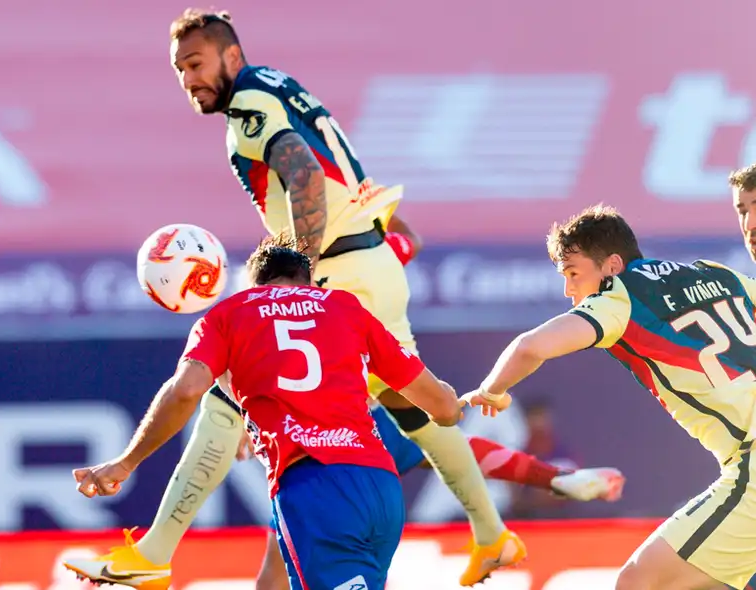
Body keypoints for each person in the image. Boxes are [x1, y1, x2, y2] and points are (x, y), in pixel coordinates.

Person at [67, 8, 524, 587]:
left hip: (338, 270)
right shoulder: (288, 89)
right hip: (372, 259)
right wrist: (384, 237)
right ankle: (491, 535)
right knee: (413, 405)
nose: (189, 79)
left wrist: (299, 277)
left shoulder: (248, 107)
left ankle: (154, 553)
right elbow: (344, 173)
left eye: (196, 63)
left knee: (223, 392)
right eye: (179, 70)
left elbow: (305, 174)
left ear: (232, 56)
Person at [66, 234, 463, 590]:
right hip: (380, 486)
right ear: (307, 281)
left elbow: (186, 390)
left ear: (255, 284)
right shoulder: (346, 308)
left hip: (314, 485)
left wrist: (126, 461)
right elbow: (443, 409)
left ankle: (152, 556)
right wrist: (459, 400)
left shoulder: (229, 315)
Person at [251, 229, 624, 590]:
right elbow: (452, 442)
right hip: (358, 480)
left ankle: (493, 532)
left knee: (274, 578)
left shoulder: (251, 328)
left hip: (307, 484)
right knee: (430, 435)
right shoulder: (349, 320)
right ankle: (493, 531)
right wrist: (554, 478)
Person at [460, 203, 756, 590]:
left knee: (638, 583)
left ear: (613, 265)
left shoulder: (620, 296)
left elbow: (530, 347)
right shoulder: (720, 275)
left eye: (573, 273)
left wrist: (491, 391)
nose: (569, 290)